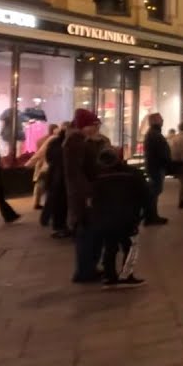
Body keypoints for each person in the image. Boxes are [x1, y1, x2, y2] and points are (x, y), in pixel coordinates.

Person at [91, 148, 148, 288]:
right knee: (130, 246)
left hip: (106, 218)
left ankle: (109, 276)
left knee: (110, 246)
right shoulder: (132, 174)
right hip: (128, 217)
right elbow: (145, 194)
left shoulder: (98, 178)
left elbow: (95, 200)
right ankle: (126, 275)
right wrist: (142, 213)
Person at [63, 109, 108, 283]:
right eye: (93, 125)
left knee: (90, 233)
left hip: (85, 193)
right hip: (84, 195)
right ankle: (85, 271)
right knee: (88, 233)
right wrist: (88, 194)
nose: (96, 128)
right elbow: (77, 173)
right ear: (84, 125)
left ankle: (88, 268)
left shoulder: (81, 140)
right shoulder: (75, 141)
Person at [41, 122, 71, 236]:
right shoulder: (68, 144)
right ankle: (60, 226)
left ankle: (55, 224)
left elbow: (48, 157)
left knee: (55, 200)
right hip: (62, 176)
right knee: (60, 202)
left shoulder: (54, 142)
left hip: (54, 175)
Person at [142, 113, 171, 226]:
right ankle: (151, 217)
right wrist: (166, 162)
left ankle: (151, 216)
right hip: (156, 167)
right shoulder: (154, 134)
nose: (162, 120)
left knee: (154, 191)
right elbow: (160, 152)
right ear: (155, 121)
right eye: (160, 119)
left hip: (154, 166)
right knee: (154, 192)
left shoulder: (153, 134)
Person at [27, 123, 59, 209]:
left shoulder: (41, 140)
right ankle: (42, 203)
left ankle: (37, 202)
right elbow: (40, 152)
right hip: (46, 164)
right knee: (44, 184)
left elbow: (38, 152)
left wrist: (31, 163)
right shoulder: (53, 140)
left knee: (40, 184)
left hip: (42, 164)